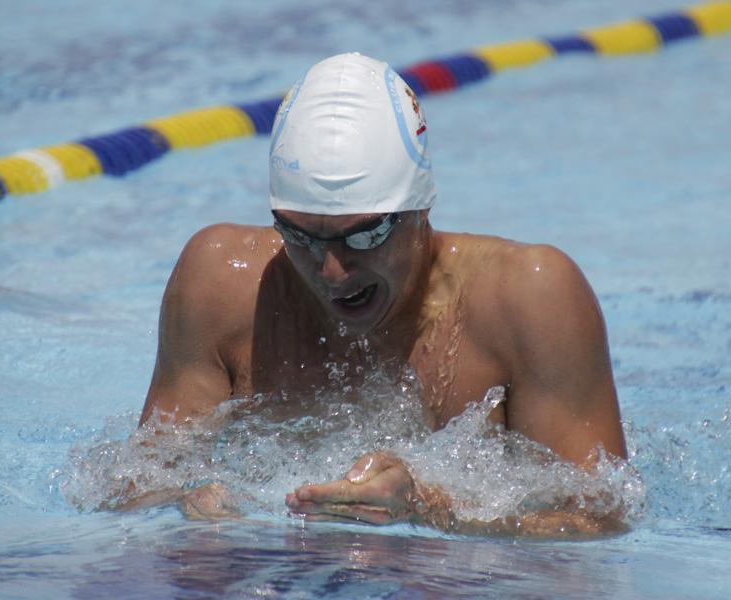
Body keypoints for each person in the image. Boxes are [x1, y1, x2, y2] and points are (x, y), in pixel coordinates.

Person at [134, 53, 628, 537]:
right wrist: (183, 502)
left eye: (364, 236)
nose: (332, 271)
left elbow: (598, 521)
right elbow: (130, 486)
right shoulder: (222, 284)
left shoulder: (529, 299)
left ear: (420, 207)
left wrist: (428, 506)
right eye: (301, 236)